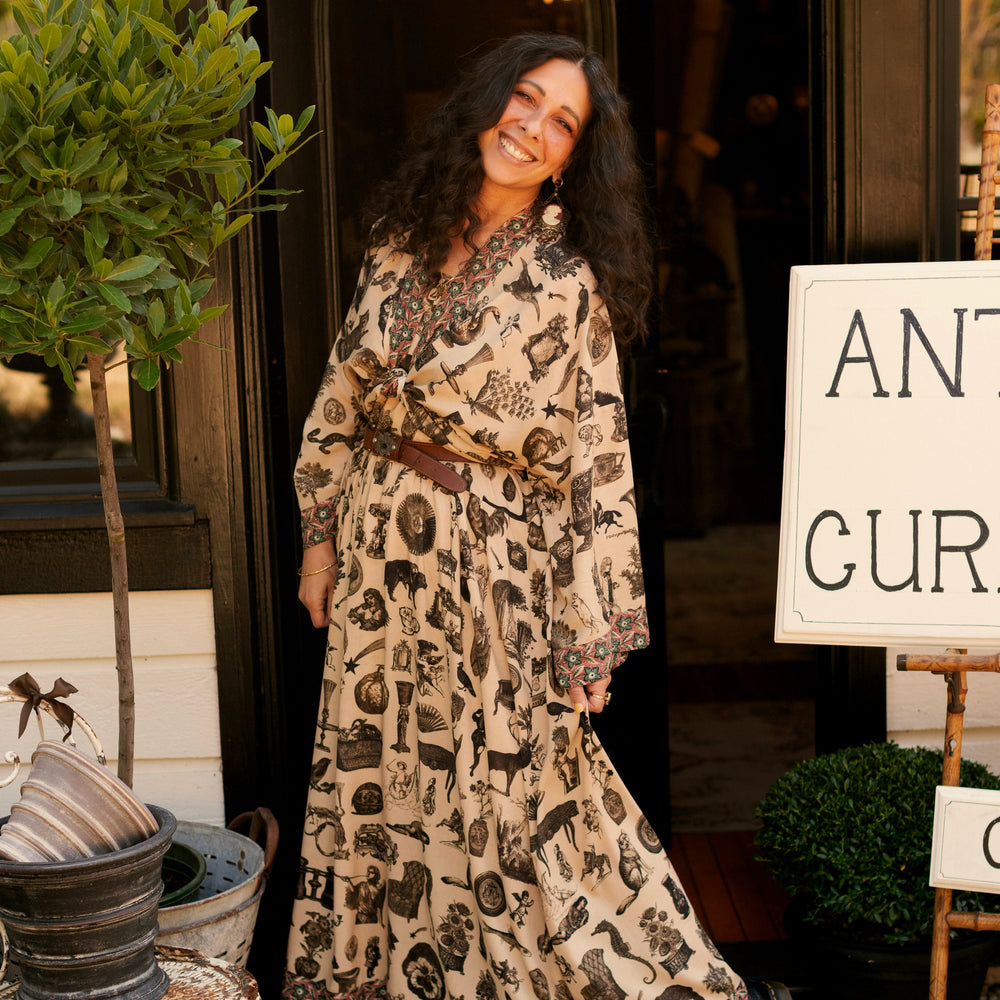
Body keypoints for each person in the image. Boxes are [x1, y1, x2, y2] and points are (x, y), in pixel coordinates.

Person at [284, 32, 789, 1000]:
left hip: (491, 571)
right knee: (382, 785)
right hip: (377, 558)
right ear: (488, 100)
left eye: (561, 123)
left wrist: (588, 634)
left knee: (511, 797)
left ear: (572, 158)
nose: (531, 128)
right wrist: (318, 546)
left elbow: (596, 466)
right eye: (525, 99)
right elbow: (340, 398)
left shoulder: (564, 280)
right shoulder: (398, 241)